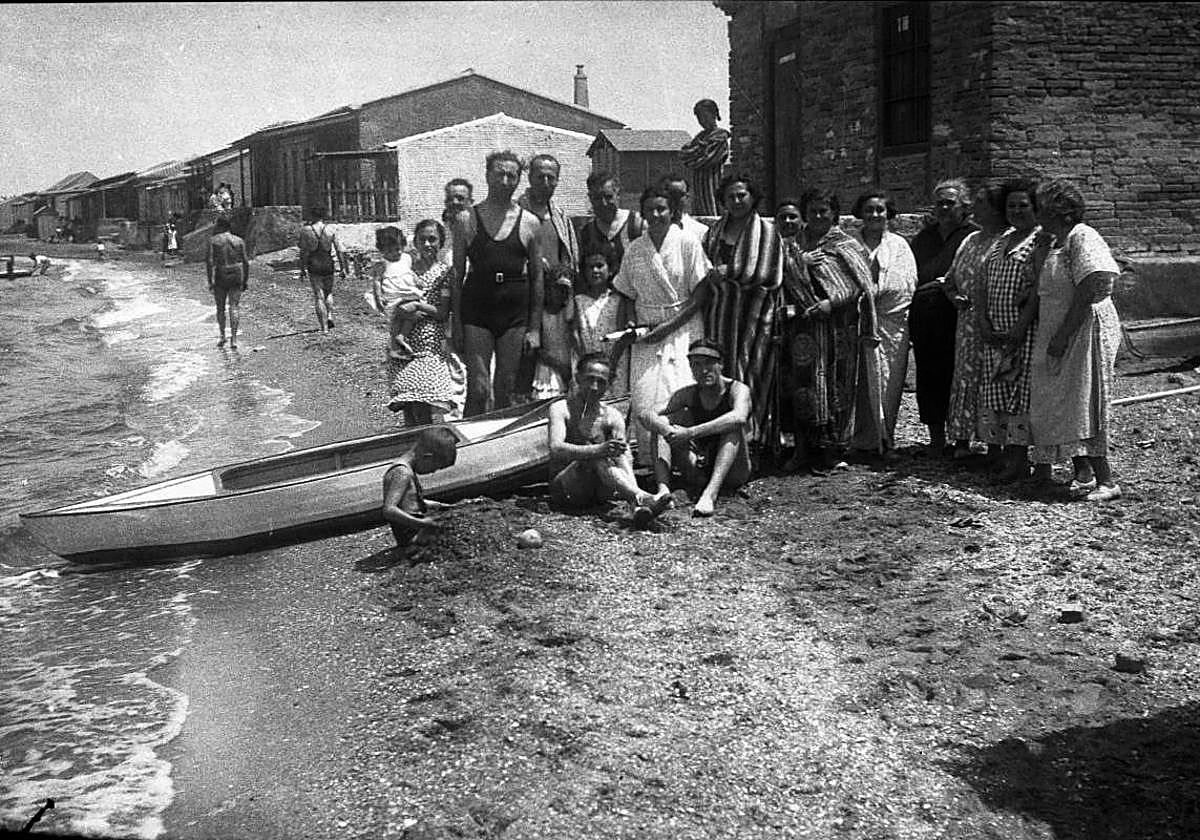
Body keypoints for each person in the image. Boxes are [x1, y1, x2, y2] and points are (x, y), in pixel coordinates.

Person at [1029, 179, 1123, 502]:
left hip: (1084, 329)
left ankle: (1106, 481)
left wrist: (1063, 335)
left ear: (1061, 212)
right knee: (1065, 400)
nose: (1037, 214)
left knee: (1085, 399)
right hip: (1061, 327)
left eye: (1042, 208)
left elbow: (1090, 286)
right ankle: (1083, 472)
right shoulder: (1057, 242)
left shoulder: (1082, 236)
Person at [775, 191, 875, 473]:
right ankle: (802, 449)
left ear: (834, 214)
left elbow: (860, 283)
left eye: (824, 211)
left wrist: (831, 302)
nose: (818, 216)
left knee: (835, 385)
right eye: (813, 211)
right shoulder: (792, 244)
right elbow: (777, 274)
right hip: (801, 326)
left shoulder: (846, 244)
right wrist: (798, 263)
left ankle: (832, 450)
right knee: (800, 386)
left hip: (836, 327)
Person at [613, 186, 712, 468]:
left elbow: (700, 294)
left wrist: (668, 327)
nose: (656, 215)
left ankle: (688, 460)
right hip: (646, 331)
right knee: (645, 395)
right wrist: (631, 322)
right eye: (650, 210)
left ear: (672, 211)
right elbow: (627, 293)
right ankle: (653, 461)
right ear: (642, 213)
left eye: (662, 209)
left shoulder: (687, 242)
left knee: (681, 390)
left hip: (683, 326)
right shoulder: (635, 249)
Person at [451, 150, 544, 416]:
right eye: (499, 174)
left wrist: (534, 328)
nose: (504, 181)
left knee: (505, 388)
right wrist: (456, 323)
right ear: (487, 176)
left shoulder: (530, 222)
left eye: (511, 176)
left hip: (514, 313)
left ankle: (499, 440)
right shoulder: (466, 219)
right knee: (479, 389)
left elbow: (537, 277)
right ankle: (469, 438)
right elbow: (456, 275)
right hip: (477, 310)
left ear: (518, 180)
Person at [701, 173, 783, 450]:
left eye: (741, 195)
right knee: (720, 374)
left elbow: (769, 273)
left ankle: (751, 440)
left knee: (752, 373)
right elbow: (702, 267)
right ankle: (720, 441)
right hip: (720, 315)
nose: (736, 201)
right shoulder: (713, 233)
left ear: (752, 197)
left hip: (754, 318)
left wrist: (730, 271)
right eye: (730, 197)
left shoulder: (768, 232)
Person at [548, 354, 671, 527]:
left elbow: (624, 457)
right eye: (590, 379)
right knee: (596, 454)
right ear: (577, 378)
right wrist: (598, 450)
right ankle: (641, 497)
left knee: (620, 452)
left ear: (608, 385)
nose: (594, 387)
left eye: (601, 382)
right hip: (567, 488)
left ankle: (637, 502)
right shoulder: (561, 409)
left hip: (600, 490)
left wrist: (608, 450)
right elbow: (556, 448)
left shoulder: (612, 416)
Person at [640, 339, 752, 517]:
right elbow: (646, 414)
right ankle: (663, 491)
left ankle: (710, 494)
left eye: (709, 363)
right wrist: (668, 431)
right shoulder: (688, 393)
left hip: (733, 471)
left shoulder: (737, 389)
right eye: (696, 365)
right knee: (661, 423)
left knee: (731, 427)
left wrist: (690, 433)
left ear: (721, 364)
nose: (703, 370)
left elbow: (739, 417)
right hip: (698, 468)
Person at [908, 179, 979, 454]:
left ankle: (962, 440)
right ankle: (936, 438)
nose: (944, 208)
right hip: (925, 317)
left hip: (958, 316)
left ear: (964, 206)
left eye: (950, 203)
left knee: (959, 375)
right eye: (940, 203)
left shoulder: (971, 237)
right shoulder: (924, 238)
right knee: (929, 375)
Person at [978, 178, 1042, 483]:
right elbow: (982, 282)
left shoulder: (1040, 242)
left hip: (1024, 334)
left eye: (1023, 205)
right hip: (996, 334)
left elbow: (1037, 289)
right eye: (1011, 206)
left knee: (1019, 395)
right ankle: (1000, 455)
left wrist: (1020, 327)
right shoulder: (1001, 240)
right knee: (997, 392)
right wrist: (983, 320)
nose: (1017, 211)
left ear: (1035, 208)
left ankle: (1018, 460)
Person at [942, 184, 1008, 460]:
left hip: (995, 322)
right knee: (966, 377)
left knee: (993, 380)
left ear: (995, 209)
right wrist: (954, 296)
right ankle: (961, 440)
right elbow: (949, 280)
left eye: (980, 203)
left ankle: (994, 444)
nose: (973, 208)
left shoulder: (1006, 240)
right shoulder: (970, 240)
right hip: (967, 324)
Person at [850, 190, 917, 458]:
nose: (875, 215)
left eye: (880, 210)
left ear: (889, 214)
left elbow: (906, 284)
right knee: (856, 382)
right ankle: (855, 440)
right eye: (869, 210)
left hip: (890, 323)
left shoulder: (899, 246)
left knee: (888, 381)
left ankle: (885, 439)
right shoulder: (850, 245)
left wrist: (878, 293)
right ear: (860, 213)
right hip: (855, 322)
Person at [388, 220, 467, 426]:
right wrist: (398, 309)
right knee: (407, 403)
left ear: (441, 242)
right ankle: (412, 441)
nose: (427, 244)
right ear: (415, 242)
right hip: (403, 342)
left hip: (429, 344)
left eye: (432, 239)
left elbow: (442, 313)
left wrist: (417, 306)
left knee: (425, 403)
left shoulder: (444, 274)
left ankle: (427, 443)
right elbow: (390, 300)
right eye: (422, 239)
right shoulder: (405, 269)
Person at [381, 425, 459, 555]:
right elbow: (389, 510)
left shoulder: (408, 470)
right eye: (435, 468)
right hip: (411, 536)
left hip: (417, 529)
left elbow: (412, 500)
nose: (433, 472)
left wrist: (441, 506)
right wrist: (422, 524)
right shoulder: (402, 473)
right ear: (427, 457)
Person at [570, 251, 631, 394]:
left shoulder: (617, 300)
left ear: (610, 270)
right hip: (587, 361)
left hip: (614, 361)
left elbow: (622, 335)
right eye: (590, 267)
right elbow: (575, 333)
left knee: (613, 399)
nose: (595, 270)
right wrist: (586, 360)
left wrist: (611, 364)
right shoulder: (578, 300)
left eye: (599, 266)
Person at [369, 226, 423, 362]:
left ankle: (401, 337)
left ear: (403, 245)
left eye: (398, 249)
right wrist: (378, 297)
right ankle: (394, 345)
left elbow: (410, 272)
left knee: (410, 315)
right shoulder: (382, 264)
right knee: (397, 320)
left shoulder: (406, 258)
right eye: (390, 251)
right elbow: (377, 282)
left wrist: (417, 280)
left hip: (408, 293)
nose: (395, 253)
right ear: (382, 250)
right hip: (393, 296)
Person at [578, 171, 643, 276]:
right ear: (590, 198)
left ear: (618, 195)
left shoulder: (636, 224)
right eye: (597, 198)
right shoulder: (587, 232)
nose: (603, 203)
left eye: (608, 197)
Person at [298, 206, 348, 334]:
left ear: (312, 215)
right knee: (328, 292)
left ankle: (324, 328)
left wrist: (302, 269)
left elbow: (303, 252)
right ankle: (330, 315)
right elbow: (339, 249)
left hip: (314, 263)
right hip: (328, 263)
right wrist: (342, 268)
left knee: (319, 296)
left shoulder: (306, 231)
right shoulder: (331, 229)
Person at [679, 99, 731, 217]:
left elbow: (707, 159)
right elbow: (684, 155)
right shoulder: (700, 137)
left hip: (713, 184)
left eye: (705, 116)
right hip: (698, 186)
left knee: (714, 213)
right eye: (699, 118)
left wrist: (695, 152)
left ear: (714, 114)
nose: (702, 121)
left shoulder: (720, 137)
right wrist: (699, 150)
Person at [205, 215, 250, 349]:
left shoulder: (213, 240)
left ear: (219, 226)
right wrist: (245, 280)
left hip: (221, 272)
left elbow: (209, 262)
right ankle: (234, 339)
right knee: (234, 306)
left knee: (220, 307)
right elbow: (246, 262)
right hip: (236, 272)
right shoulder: (239, 240)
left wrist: (210, 280)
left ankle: (222, 335)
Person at [531, 271, 574, 400]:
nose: (561, 293)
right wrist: (559, 366)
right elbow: (537, 349)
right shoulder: (541, 316)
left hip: (568, 363)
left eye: (565, 290)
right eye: (557, 289)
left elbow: (570, 317)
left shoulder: (567, 314)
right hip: (548, 367)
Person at [659, 173, 711, 244]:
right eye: (671, 194)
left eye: (679, 194)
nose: (675, 199)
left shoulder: (701, 231)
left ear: (687, 198)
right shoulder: (648, 228)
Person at [441, 178, 473, 264]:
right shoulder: (437, 236)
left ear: (470, 202)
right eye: (450, 199)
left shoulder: (480, 235)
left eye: (460, 198)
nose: (455, 202)